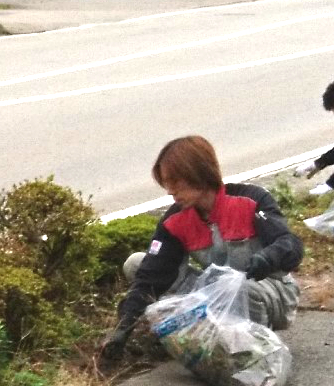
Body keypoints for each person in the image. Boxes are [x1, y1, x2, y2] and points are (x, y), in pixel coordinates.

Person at [101, 136, 303, 365]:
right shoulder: (176, 220)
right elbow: (150, 276)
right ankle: (199, 336)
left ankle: (253, 350)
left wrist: (268, 258)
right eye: (166, 183)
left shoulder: (250, 200)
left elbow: (290, 244)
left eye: (174, 182)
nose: (169, 191)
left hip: (268, 290)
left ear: (197, 174)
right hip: (217, 293)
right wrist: (123, 328)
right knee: (137, 264)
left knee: (245, 289)